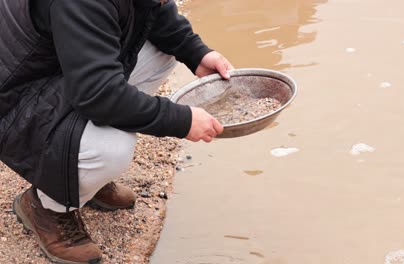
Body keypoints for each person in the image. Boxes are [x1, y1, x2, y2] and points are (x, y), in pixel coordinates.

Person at [0, 0, 233, 263]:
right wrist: (182, 120)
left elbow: (153, 10)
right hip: (15, 101)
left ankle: (80, 173)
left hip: (59, 70)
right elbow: (98, 95)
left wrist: (196, 52)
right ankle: (46, 205)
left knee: (161, 52)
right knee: (113, 150)